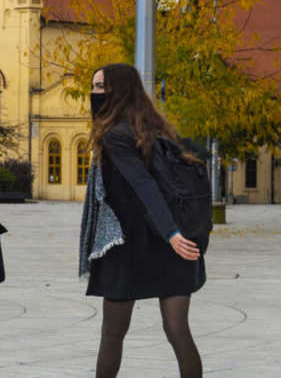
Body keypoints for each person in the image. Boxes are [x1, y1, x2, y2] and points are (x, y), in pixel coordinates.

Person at [79, 63, 205, 378]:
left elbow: (144, 186)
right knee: (178, 330)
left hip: (129, 246)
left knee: (112, 334)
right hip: (171, 245)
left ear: (117, 92)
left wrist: (171, 233)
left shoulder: (114, 136)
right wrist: (175, 234)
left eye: (99, 87)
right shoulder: (160, 129)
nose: (92, 94)